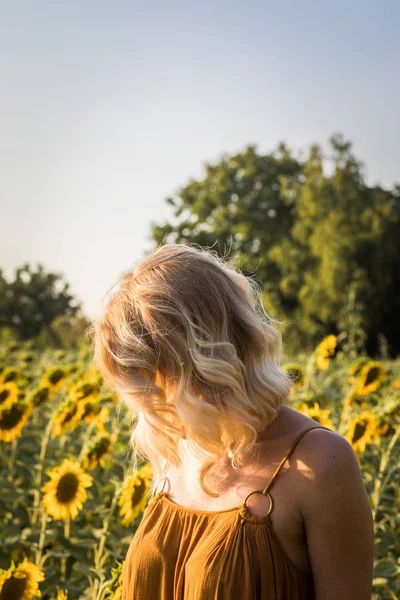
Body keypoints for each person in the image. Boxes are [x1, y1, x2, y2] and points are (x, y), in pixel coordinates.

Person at [89, 243, 374, 599]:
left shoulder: (320, 462)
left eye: (152, 377)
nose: (151, 403)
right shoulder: (174, 443)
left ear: (200, 361)